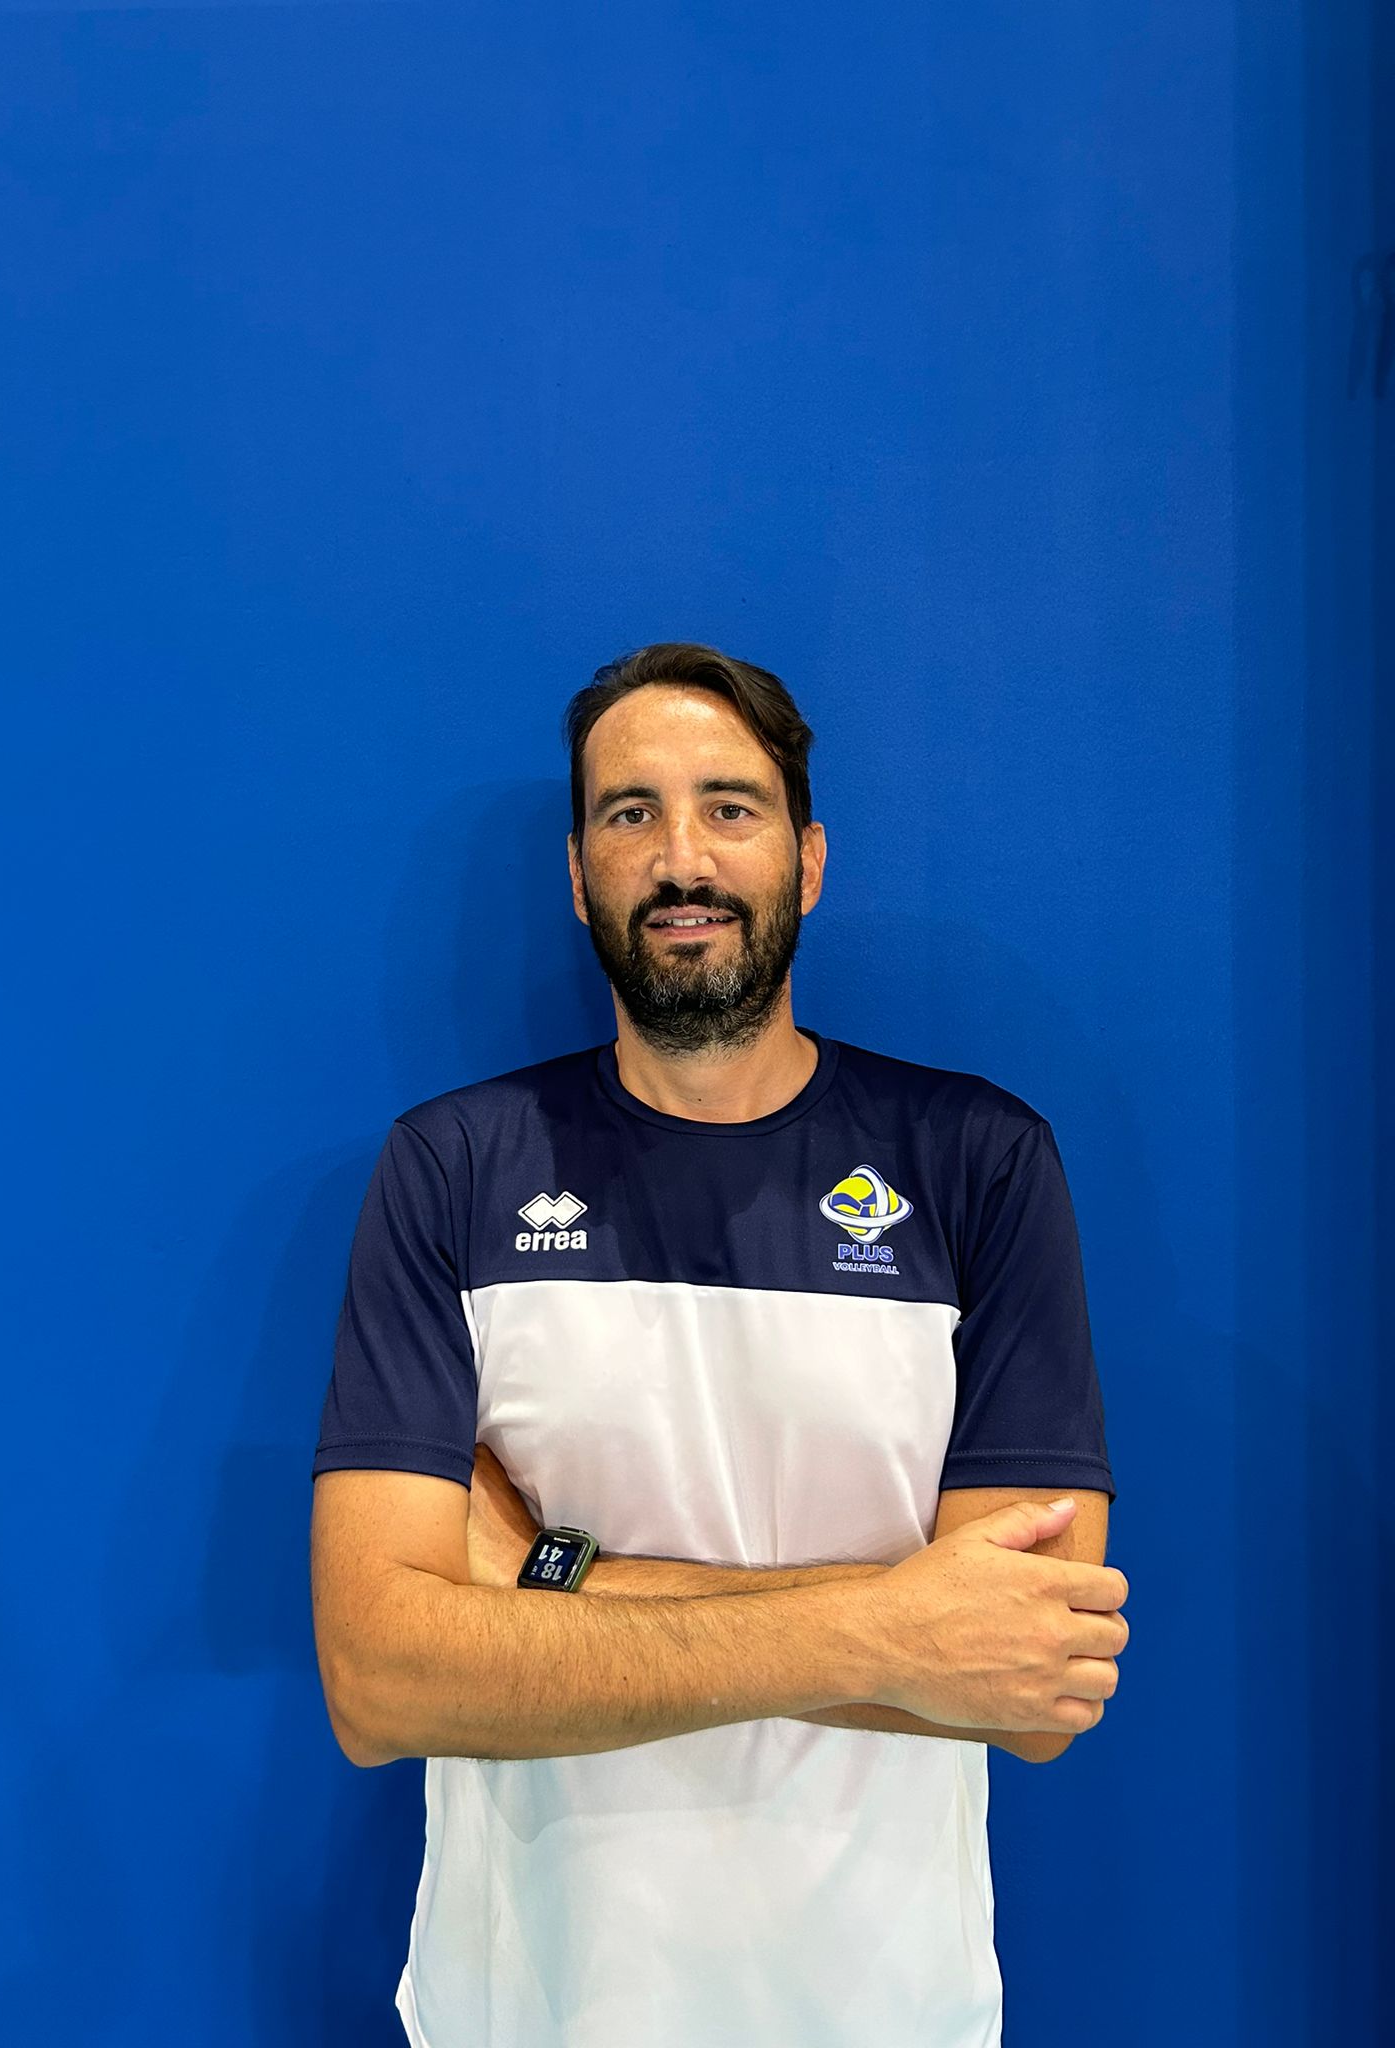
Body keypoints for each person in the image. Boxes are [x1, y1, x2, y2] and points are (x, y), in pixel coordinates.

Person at [309, 641, 1126, 2048]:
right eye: (632, 812)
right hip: (529, 2012)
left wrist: (555, 1578)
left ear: (808, 860)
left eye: (730, 808)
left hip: (888, 2013)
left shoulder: (979, 1162)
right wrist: (896, 1629)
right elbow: (381, 1681)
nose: (681, 858)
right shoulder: (455, 1167)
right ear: (579, 874)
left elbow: (1033, 1680)